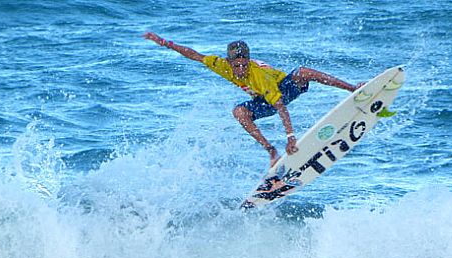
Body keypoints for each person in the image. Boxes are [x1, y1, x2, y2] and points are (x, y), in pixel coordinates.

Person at [142, 32, 363, 167]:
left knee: (303, 71)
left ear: (248, 61)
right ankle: (270, 151)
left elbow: (281, 108)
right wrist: (163, 42)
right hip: (262, 101)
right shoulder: (220, 65)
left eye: (243, 65)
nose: (239, 70)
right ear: (228, 62)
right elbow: (194, 55)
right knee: (239, 112)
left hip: (283, 89)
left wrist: (291, 138)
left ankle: (352, 88)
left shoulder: (258, 76)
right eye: (236, 65)